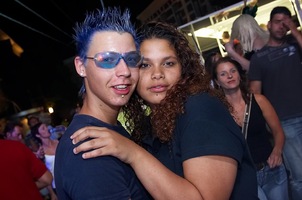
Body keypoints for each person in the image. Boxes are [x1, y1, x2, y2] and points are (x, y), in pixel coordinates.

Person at [70, 21, 259, 199]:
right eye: (144, 65)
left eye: (168, 63)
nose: (157, 74)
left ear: (183, 70)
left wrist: (133, 154)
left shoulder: (200, 108)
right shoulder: (149, 123)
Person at [54, 7, 150, 200]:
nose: (124, 71)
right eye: (107, 60)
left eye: (131, 59)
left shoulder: (110, 131)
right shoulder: (89, 150)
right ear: (81, 67)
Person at [212, 56, 289, 200]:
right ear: (217, 82)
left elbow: (278, 132)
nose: (229, 76)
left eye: (232, 71)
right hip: (244, 177)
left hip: (271, 169)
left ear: (239, 75)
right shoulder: (218, 111)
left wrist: (277, 151)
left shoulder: (259, 100)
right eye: (223, 74)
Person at [249, 6, 302, 200]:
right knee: (299, 176)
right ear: (269, 25)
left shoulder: (295, 44)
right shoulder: (259, 58)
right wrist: (266, 125)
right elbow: (254, 94)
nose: (282, 25)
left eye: (286, 22)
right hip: (285, 122)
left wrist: (294, 30)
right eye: (278, 21)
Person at [31, 122, 58, 200]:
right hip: (56, 185)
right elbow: (44, 175)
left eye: (46, 126)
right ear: (38, 135)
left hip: (69, 179)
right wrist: (52, 193)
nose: (47, 129)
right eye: (43, 128)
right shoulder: (41, 152)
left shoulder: (58, 142)